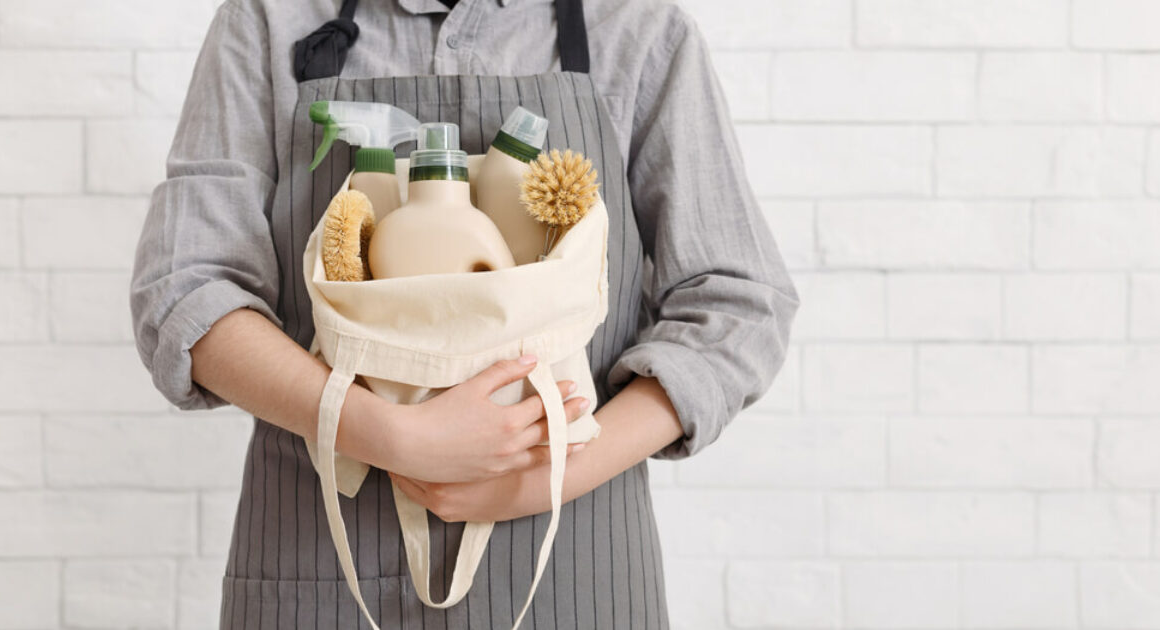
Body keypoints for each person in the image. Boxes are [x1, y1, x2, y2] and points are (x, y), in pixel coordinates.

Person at [129, 0, 798, 627]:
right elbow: (187, 288)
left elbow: (735, 302)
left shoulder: (635, 28)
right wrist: (389, 436)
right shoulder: (271, 19)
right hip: (319, 558)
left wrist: (553, 474)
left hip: (574, 563)